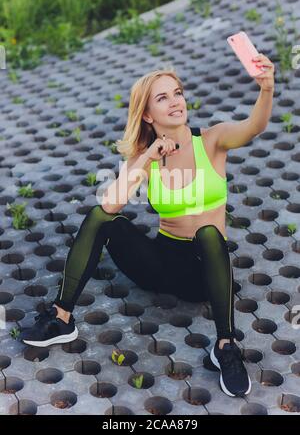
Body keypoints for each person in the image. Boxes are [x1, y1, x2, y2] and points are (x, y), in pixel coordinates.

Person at [20, 57, 275, 397]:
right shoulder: (146, 155)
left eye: (178, 93)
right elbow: (108, 204)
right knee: (104, 219)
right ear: (147, 115)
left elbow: (254, 126)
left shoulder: (212, 140)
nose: (175, 102)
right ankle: (61, 316)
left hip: (204, 271)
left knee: (209, 233)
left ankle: (225, 346)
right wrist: (145, 160)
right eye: (163, 98)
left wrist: (267, 87)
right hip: (160, 263)